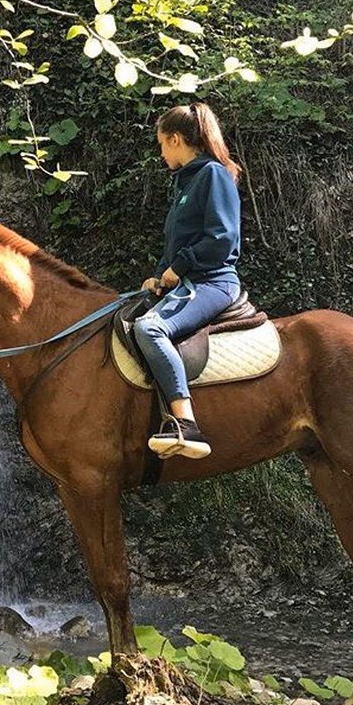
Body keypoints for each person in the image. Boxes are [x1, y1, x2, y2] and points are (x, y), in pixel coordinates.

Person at [135, 102, 243, 459]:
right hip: (188, 282)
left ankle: (186, 424)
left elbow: (222, 237)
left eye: (162, 144)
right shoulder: (188, 182)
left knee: (150, 329)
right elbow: (177, 242)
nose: (161, 153)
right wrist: (159, 276)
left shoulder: (213, 175)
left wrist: (180, 267)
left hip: (213, 282)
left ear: (175, 139)